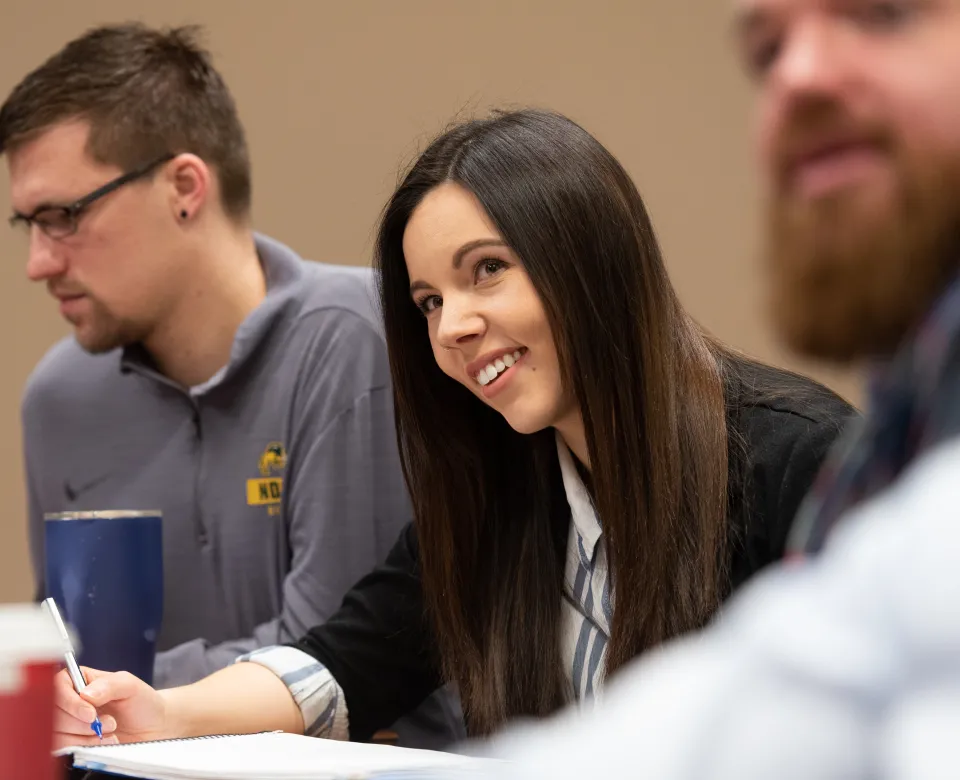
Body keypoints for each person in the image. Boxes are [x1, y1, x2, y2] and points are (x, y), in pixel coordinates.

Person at [48, 107, 855, 749]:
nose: (452, 328)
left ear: (593, 261)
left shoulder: (797, 460)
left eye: (487, 270)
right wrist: (164, 714)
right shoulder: (498, 484)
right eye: (429, 301)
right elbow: (348, 659)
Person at [444, 0, 960, 776]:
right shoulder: (916, 398)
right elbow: (789, 702)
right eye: (766, 49)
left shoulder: (792, 448)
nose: (797, 74)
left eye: (879, 12)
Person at [2, 22, 462, 750]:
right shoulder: (58, 397)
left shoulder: (356, 338)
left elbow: (335, 659)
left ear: (185, 188)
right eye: (28, 223)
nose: (37, 262)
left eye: (63, 218)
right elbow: (62, 662)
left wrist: (119, 687)